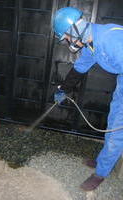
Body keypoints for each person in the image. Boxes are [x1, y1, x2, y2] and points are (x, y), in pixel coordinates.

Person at [53, 7, 123, 191]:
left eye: (67, 37)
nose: (67, 41)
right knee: (112, 124)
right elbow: (80, 68)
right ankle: (103, 161)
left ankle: (101, 173)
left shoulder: (111, 39)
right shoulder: (92, 45)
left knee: (117, 131)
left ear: (75, 29)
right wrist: (64, 89)